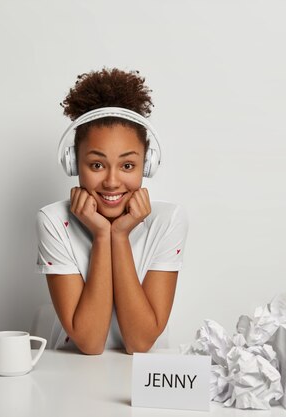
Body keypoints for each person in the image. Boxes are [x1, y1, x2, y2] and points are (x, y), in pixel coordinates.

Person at [36, 68, 188, 354]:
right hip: (71, 374)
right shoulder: (54, 221)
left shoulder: (168, 221)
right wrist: (102, 236)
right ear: (73, 164)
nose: (112, 181)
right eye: (96, 165)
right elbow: (90, 343)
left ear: (148, 164)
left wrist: (120, 236)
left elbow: (139, 343)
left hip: (146, 381)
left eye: (127, 166)